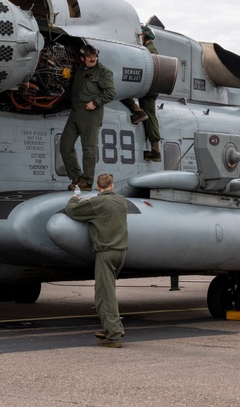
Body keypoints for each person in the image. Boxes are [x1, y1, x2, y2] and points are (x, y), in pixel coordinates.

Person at [65, 173, 128, 347]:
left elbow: (72, 211)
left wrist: (75, 199)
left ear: (98, 188)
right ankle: (113, 329)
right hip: (121, 252)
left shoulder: (97, 203)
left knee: (104, 295)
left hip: (106, 253)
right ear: (112, 186)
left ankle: (114, 336)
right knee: (109, 292)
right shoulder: (121, 200)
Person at [60, 45, 116, 190]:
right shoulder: (80, 71)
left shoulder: (103, 72)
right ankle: (77, 178)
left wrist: (95, 103)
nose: (93, 59)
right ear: (82, 58)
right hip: (76, 111)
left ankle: (88, 182)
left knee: (89, 148)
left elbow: (111, 92)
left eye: (94, 56)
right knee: (65, 145)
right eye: (89, 56)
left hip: (91, 113)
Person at [127, 25, 162, 162]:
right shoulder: (152, 50)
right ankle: (155, 149)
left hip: (148, 87)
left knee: (120, 91)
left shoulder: (146, 51)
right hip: (153, 88)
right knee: (151, 116)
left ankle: (137, 110)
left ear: (144, 36)